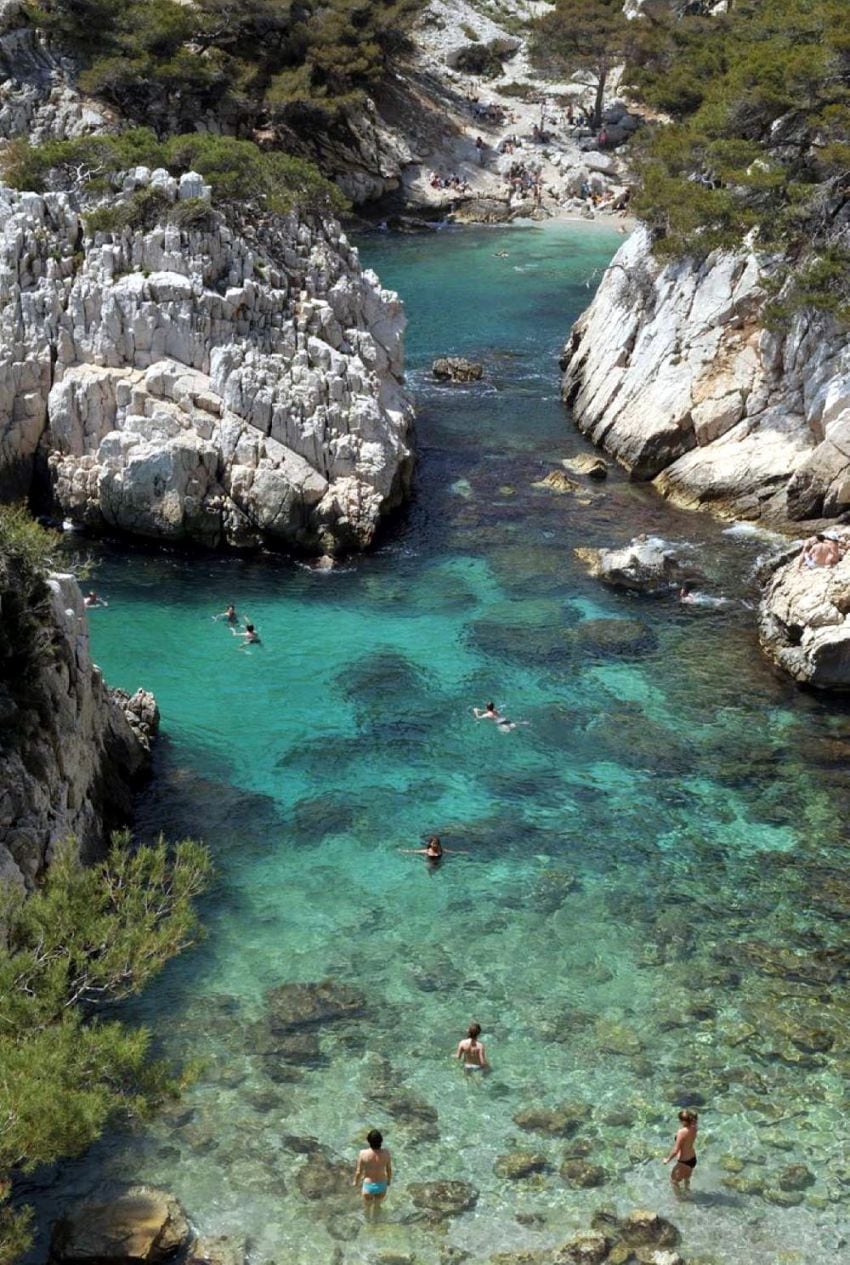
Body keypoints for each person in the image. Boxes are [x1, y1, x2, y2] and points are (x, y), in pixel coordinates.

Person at [353, 1128, 392, 1220]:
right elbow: (389, 1169)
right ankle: (375, 1223)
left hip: (368, 1186)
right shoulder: (386, 1153)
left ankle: (367, 1223)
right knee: (377, 1206)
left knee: (367, 1207)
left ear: (368, 1141)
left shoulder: (363, 1154)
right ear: (381, 1141)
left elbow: (359, 1171)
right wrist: (389, 1181)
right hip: (382, 1185)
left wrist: (356, 1182)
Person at [663, 1109, 698, 1197]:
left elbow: (675, 1150)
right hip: (693, 1159)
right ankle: (687, 1191)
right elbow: (686, 1144)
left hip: (684, 1161)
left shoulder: (682, 1132)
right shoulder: (694, 1127)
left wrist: (667, 1159)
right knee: (686, 1178)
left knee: (673, 1180)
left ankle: (680, 1200)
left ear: (683, 1121)